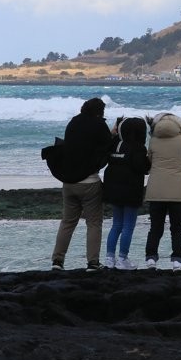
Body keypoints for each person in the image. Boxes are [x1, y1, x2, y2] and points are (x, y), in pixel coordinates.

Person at [50, 97, 114, 271]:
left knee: (67, 222)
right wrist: (113, 133)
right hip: (89, 182)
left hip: (68, 181)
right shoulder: (99, 124)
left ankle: (57, 261)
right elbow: (108, 145)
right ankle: (93, 262)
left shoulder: (73, 122)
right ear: (100, 111)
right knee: (94, 223)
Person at [144, 112, 181, 270]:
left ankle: (151, 258)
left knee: (155, 227)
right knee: (177, 228)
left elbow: (149, 161)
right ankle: (177, 260)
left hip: (156, 190)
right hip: (178, 191)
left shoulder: (153, 141)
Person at [103, 116, 151, 270]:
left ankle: (109, 258)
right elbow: (141, 168)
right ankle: (123, 258)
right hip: (131, 191)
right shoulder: (138, 148)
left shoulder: (115, 144)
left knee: (116, 224)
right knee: (128, 226)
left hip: (113, 190)